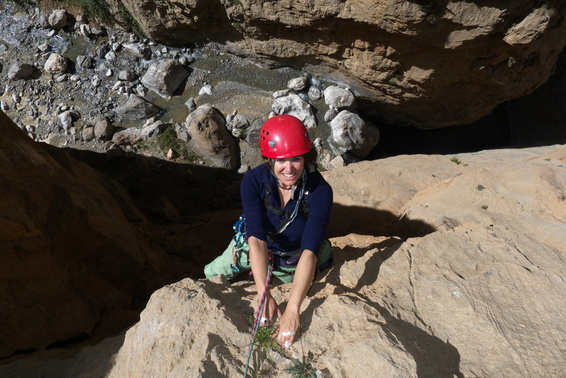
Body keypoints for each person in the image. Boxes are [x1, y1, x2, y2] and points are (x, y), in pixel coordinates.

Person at [204, 114, 333, 349]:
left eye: (296, 159)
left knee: (301, 279)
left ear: (305, 157)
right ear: (269, 159)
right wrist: (264, 295)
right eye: (281, 160)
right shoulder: (254, 181)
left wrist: (293, 309)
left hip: (296, 255)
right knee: (211, 274)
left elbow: (310, 251)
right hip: (259, 246)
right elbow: (256, 239)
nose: (289, 168)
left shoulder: (319, 190)